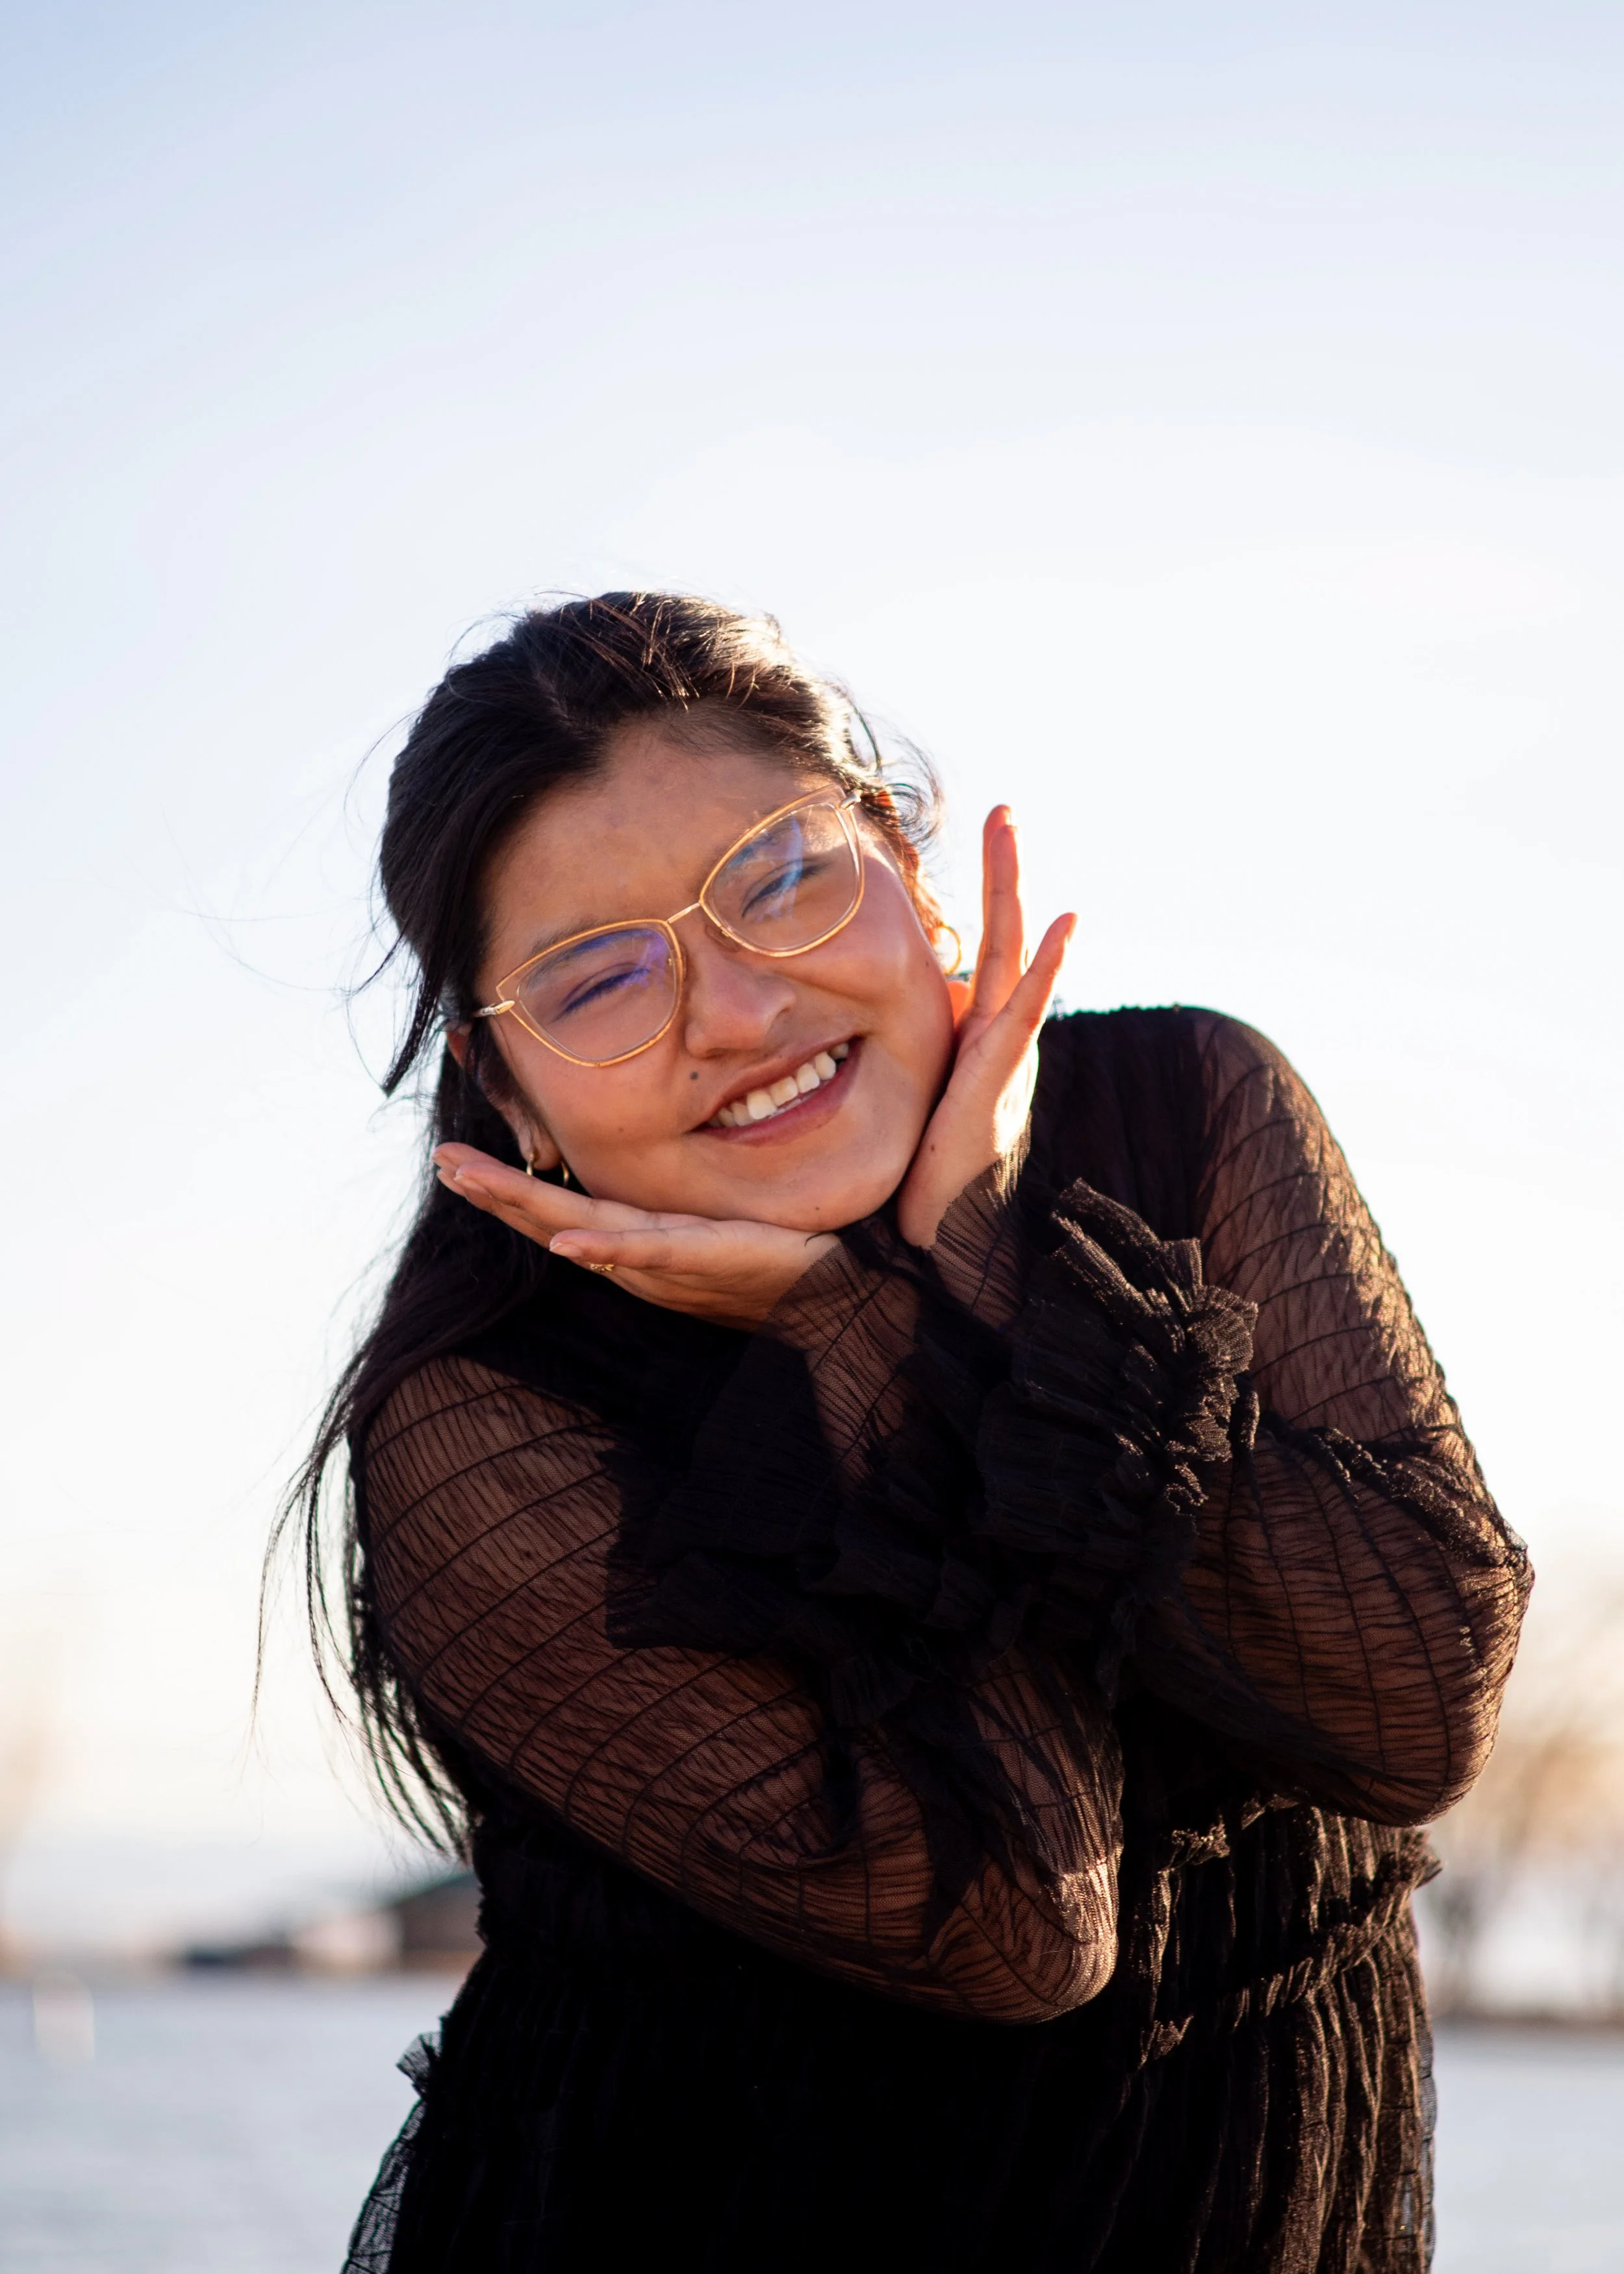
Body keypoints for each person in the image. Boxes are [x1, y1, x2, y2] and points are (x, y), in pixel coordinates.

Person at [302, 592, 1529, 2273]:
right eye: (598, 979)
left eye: (780, 880)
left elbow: (1418, 1706)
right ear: (504, 1092)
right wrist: (869, 1336)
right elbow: (1025, 1923)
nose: (738, 1011)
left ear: (905, 864)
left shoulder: (1188, 1111)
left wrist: (990, 1261)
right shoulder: (482, 1422)